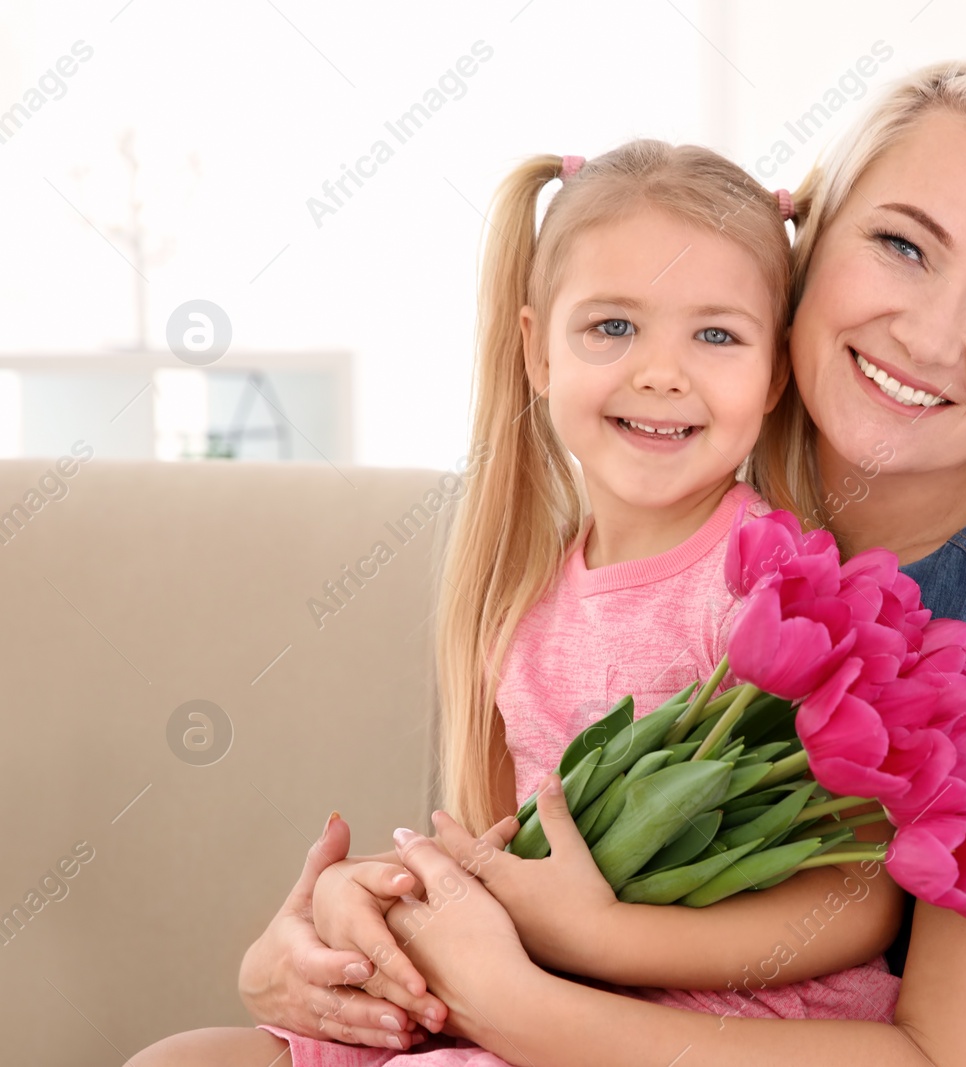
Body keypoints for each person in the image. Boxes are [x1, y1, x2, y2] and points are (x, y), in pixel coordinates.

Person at [138, 59, 966, 1067]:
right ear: (807, 253)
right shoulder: (687, 498)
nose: (926, 333)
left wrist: (519, 995)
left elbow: (962, 1050)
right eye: (903, 247)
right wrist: (335, 938)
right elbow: (547, 855)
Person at [127, 139, 905, 1066]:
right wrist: (372, 899)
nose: (661, 371)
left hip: (711, 1020)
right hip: (532, 988)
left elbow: (860, 894)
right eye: (612, 327)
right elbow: (500, 858)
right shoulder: (525, 604)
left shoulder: (774, 583)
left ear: (774, 373)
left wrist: (602, 939)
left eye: (716, 334)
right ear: (536, 349)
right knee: (183, 1057)